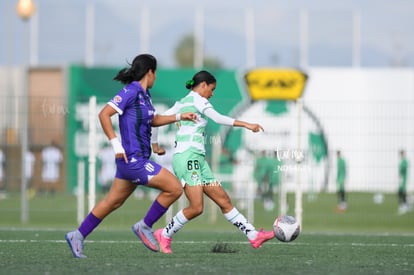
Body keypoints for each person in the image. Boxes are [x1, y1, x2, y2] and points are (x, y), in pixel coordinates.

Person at [65, 54, 197, 258]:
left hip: (136, 160)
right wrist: (116, 145)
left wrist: (181, 116)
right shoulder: (131, 91)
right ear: (150, 72)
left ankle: (78, 235)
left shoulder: (145, 95)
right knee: (174, 188)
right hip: (132, 160)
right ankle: (145, 226)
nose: (156, 78)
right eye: (156, 74)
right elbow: (104, 114)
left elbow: (154, 120)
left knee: (112, 202)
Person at [152, 70, 275, 254]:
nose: (212, 93)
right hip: (187, 158)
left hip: (197, 160)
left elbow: (154, 120)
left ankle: (254, 235)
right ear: (203, 85)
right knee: (196, 207)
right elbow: (217, 118)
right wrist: (247, 124)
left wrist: (155, 145)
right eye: (212, 89)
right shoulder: (198, 100)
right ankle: (165, 234)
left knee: (224, 200)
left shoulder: (181, 103)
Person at [398, 149, 409, 214]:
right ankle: (405, 204)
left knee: (401, 192)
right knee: (401, 192)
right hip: (402, 179)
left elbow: (403, 168)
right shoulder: (402, 161)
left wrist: (400, 172)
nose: (401, 155)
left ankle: (403, 205)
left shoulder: (405, 161)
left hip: (404, 179)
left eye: (401, 153)